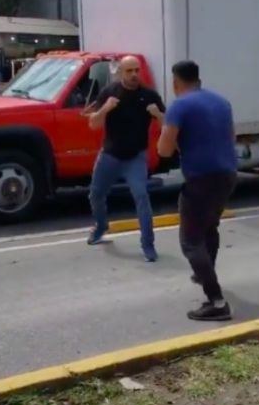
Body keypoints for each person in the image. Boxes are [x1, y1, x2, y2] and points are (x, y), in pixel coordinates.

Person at [158, 60, 238, 321]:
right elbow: (231, 137)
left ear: (175, 82)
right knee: (209, 228)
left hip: (201, 179)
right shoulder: (221, 102)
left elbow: (164, 150)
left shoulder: (179, 105)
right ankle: (206, 272)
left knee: (190, 241)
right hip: (227, 175)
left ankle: (216, 302)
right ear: (198, 79)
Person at [86, 55, 166, 262]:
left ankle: (148, 245)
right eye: (129, 71)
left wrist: (157, 114)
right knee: (96, 194)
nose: (134, 75)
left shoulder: (149, 95)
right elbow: (93, 124)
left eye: (137, 70)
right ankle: (101, 226)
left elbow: (168, 125)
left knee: (141, 196)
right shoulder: (109, 92)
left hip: (135, 158)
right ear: (120, 72)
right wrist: (106, 108)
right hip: (110, 155)